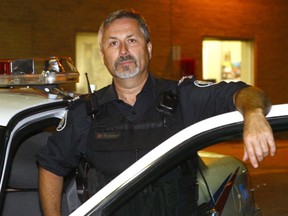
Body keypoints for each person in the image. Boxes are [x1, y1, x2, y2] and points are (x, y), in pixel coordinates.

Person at [37, 9, 275, 216]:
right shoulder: (85, 113)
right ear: (103, 55)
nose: (123, 51)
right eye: (113, 43)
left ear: (148, 48)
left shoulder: (183, 97)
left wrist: (253, 113)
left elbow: (245, 92)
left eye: (131, 40)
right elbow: (50, 166)